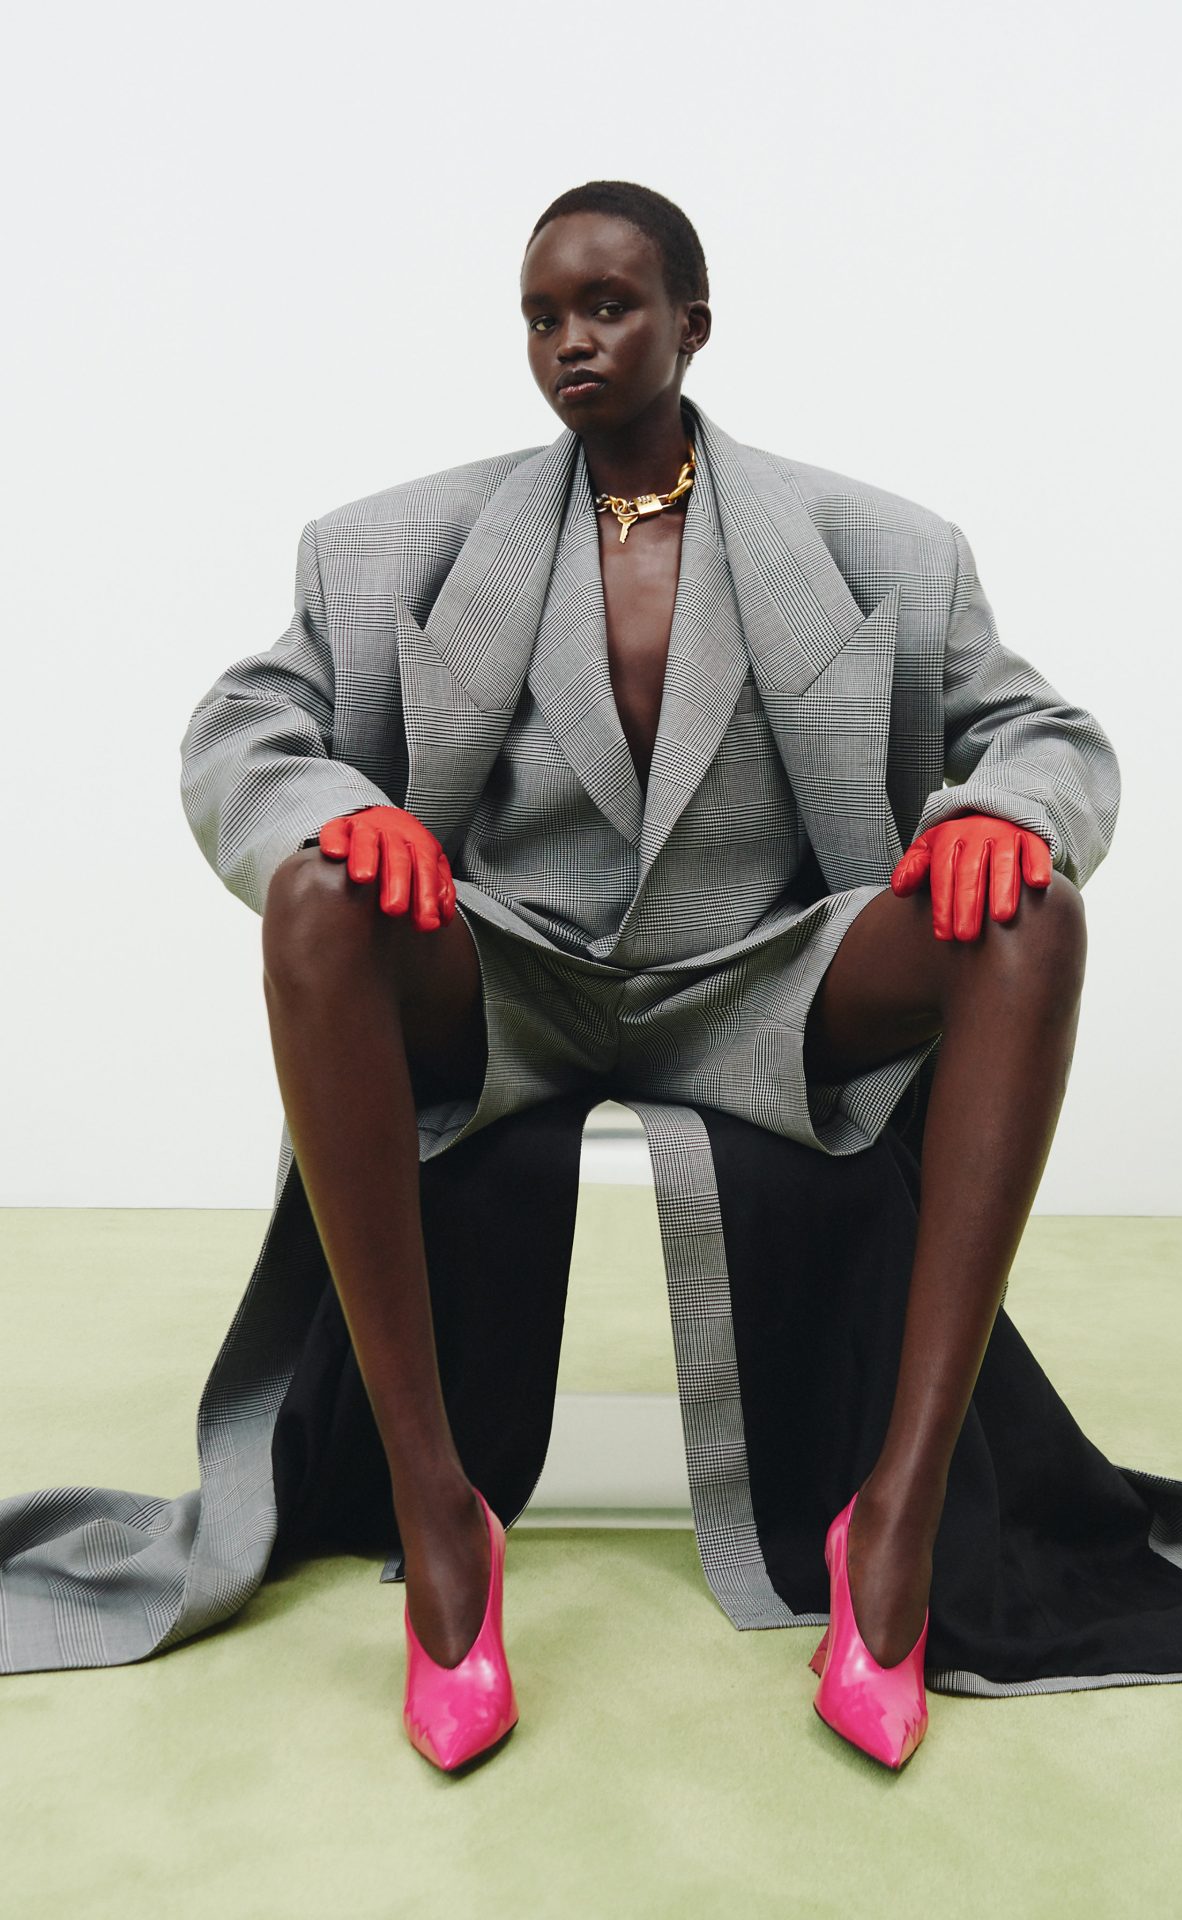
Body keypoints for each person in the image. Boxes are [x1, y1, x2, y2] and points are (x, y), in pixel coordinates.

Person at [183, 179, 1117, 1772]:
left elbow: (1046, 735)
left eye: (609, 306)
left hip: (764, 979)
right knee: (319, 899)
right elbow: (242, 730)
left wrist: (1006, 813)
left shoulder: (882, 546)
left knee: (1032, 917)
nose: (573, 341)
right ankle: (440, 1508)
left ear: (693, 322)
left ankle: (892, 1519)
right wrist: (339, 811)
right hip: (510, 973)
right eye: (542, 316)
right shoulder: (387, 547)